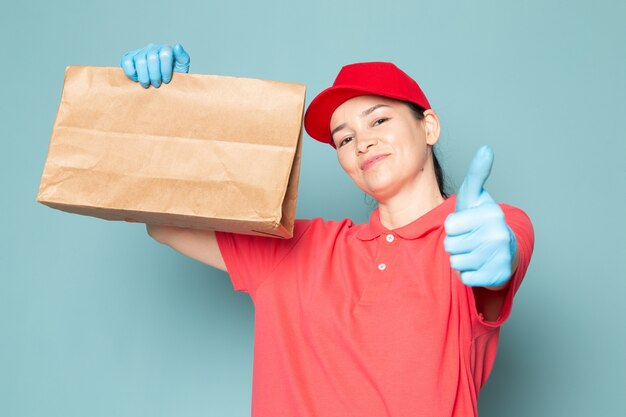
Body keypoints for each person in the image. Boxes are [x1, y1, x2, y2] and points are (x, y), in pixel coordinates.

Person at [120, 43, 535, 417]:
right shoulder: (297, 247)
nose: (362, 143)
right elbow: (163, 219)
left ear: (429, 127)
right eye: (344, 138)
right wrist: (165, 106)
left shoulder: (477, 233)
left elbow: (502, 250)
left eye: (379, 120)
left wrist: (499, 254)